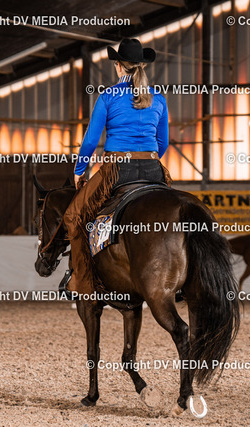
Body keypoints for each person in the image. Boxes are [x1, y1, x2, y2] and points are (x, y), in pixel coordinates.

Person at [61, 38, 171, 295]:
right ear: (142, 66)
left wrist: (79, 171)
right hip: (153, 170)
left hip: (117, 170)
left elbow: (90, 141)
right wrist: (147, 157)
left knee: (73, 216)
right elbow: (163, 143)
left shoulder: (108, 96)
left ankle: (82, 282)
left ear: (118, 66)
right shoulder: (158, 98)